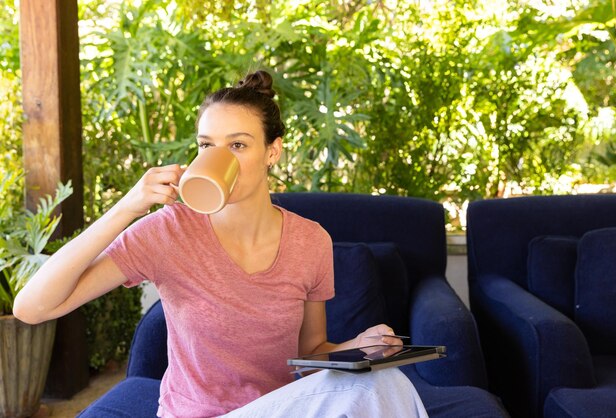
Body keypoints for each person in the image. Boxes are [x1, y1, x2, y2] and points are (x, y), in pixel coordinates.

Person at [14, 70, 428, 417]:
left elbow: (311, 353)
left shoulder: (310, 240)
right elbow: (32, 308)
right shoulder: (168, 231)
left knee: (384, 379)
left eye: (238, 144)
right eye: (208, 145)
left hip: (278, 409)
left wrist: (357, 348)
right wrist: (128, 206)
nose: (220, 157)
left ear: (273, 152)